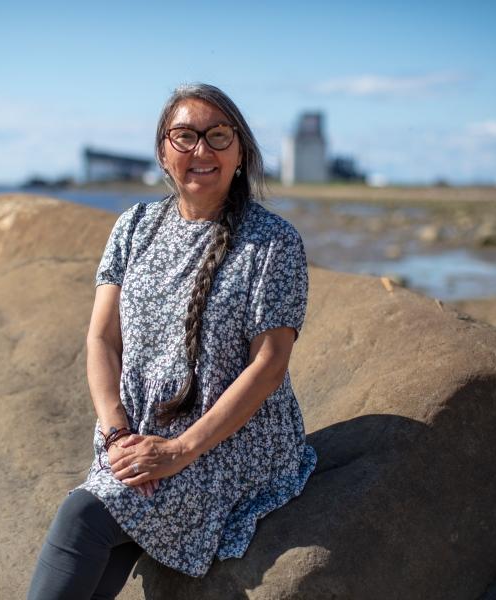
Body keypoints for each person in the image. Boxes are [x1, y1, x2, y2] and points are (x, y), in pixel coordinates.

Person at [27, 82, 317, 600]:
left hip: (232, 444)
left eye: (217, 136)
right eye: (184, 136)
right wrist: (118, 435)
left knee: (85, 517)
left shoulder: (273, 243)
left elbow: (269, 365)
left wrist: (180, 450)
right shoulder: (134, 226)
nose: (201, 150)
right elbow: (101, 339)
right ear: (163, 151)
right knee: (108, 522)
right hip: (136, 432)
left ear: (240, 151)